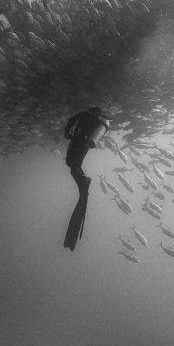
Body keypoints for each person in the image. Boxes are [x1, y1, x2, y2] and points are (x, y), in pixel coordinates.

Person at [63, 106, 107, 251]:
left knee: (70, 163)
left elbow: (72, 120)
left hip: (77, 141)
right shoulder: (99, 122)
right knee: (76, 164)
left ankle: (83, 180)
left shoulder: (84, 115)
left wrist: (67, 132)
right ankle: (83, 179)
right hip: (86, 145)